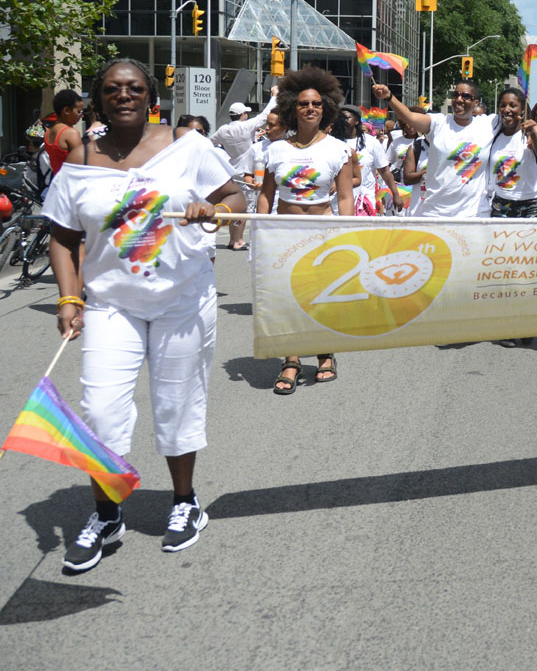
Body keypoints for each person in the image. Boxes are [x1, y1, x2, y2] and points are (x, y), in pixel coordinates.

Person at [44, 57, 244, 571]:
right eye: (113, 88)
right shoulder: (81, 160)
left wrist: (212, 212)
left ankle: (184, 503)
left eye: (134, 87)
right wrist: (69, 299)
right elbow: (64, 239)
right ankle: (106, 513)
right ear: (98, 98)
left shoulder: (188, 147)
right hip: (112, 305)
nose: (124, 94)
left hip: (183, 300)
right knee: (102, 411)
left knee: (178, 405)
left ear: (151, 95)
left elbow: (234, 196)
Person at [257, 66, 356, 393]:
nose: (310, 108)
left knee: (320, 298)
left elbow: (344, 196)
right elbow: (265, 194)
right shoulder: (276, 150)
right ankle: (291, 359)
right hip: (284, 233)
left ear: (325, 107)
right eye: (303, 104)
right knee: (286, 298)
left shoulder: (337, 149)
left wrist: (348, 235)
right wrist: (260, 231)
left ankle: (325, 353)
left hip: (323, 233)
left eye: (315, 103)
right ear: (291, 108)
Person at [371, 79, 495, 218]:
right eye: (455, 95)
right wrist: (389, 97)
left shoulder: (488, 124)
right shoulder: (438, 123)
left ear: (475, 103)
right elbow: (409, 116)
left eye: (466, 96)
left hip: (474, 214)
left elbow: (512, 116)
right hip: (437, 213)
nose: (459, 99)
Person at [211, 96, 275, 251]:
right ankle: (238, 240)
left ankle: (233, 239)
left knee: (234, 207)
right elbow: (265, 115)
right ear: (242, 115)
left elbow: (210, 142)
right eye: (245, 113)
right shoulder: (246, 126)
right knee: (244, 208)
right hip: (247, 173)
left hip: (231, 172)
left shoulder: (223, 130)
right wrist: (274, 96)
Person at [487, 88, 537, 218]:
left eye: (512, 105)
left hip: (530, 207)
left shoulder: (530, 133)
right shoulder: (494, 134)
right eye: (503, 105)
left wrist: (534, 130)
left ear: (522, 110)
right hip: (500, 207)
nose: (507, 109)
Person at [331, 105, 401, 216]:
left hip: (364, 203)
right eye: (340, 118)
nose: (342, 121)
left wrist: (395, 194)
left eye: (346, 118)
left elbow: (384, 171)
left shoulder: (371, 142)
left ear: (356, 121)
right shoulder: (332, 142)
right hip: (335, 204)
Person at [43, 90, 85, 176]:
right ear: (66, 110)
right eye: (79, 111)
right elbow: (82, 166)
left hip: (57, 185)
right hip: (71, 185)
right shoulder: (71, 133)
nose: (81, 116)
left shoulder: (48, 132)